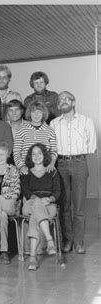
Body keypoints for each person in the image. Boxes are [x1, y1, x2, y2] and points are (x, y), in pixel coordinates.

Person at [50, 91, 97, 254]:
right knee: (64, 205)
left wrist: (79, 157)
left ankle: (79, 241)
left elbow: (91, 145)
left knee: (79, 205)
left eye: (66, 99)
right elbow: (52, 147)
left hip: (79, 162)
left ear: (73, 102)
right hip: (61, 163)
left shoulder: (86, 121)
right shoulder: (54, 123)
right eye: (60, 100)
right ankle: (67, 240)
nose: (63, 101)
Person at [21, 143, 61, 271]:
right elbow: (26, 192)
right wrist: (38, 200)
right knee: (36, 205)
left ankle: (33, 258)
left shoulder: (52, 171)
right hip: (30, 203)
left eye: (39, 153)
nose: (37, 156)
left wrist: (49, 199)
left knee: (35, 217)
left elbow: (58, 191)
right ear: (30, 156)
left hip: (49, 204)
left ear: (44, 155)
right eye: (34, 153)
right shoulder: (26, 172)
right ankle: (50, 240)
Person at [13, 101, 57, 175]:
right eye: (34, 112)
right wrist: (21, 166)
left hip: (45, 170)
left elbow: (54, 151)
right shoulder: (22, 129)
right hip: (26, 170)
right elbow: (16, 152)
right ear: (30, 113)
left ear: (43, 114)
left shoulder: (50, 130)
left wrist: (51, 163)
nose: (36, 115)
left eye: (39, 112)